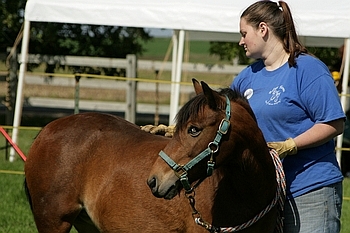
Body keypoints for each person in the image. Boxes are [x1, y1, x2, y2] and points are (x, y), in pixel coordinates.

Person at [230, 1, 345, 232]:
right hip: (265, 194)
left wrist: (290, 145)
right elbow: (227, 119)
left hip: (310, 189)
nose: (241, 41)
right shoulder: (247, 77)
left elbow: (334, 122)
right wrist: (178, 132)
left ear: (263, 29)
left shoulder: (308, 69)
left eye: (244, 33)